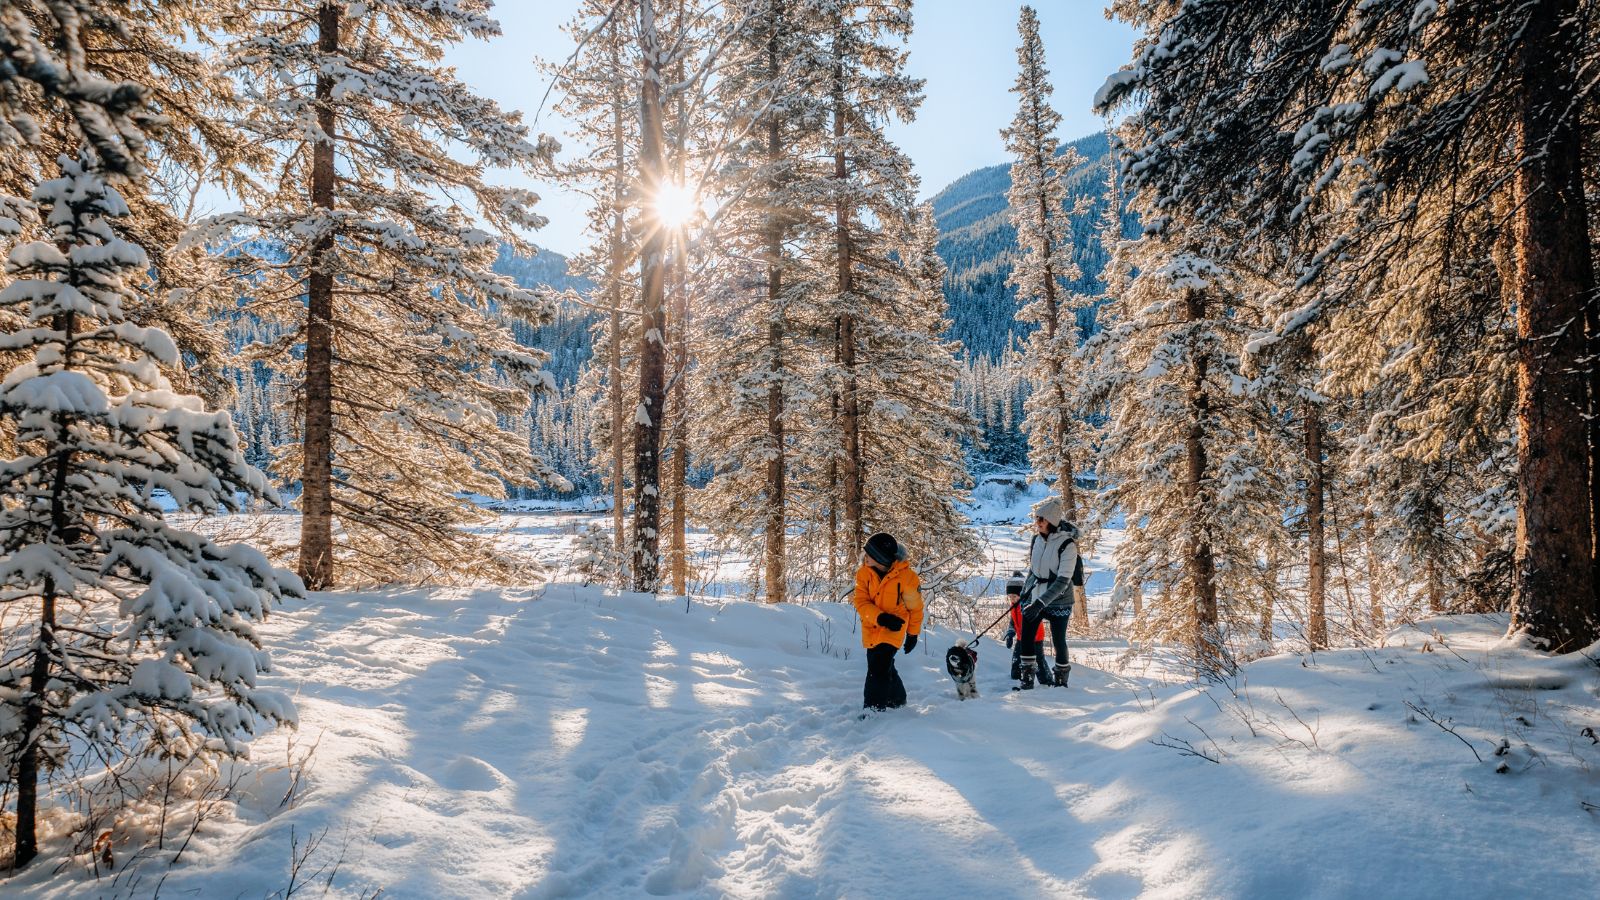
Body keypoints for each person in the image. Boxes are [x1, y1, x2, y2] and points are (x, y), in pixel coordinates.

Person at [852, 531, 924, 711]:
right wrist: (879, 617)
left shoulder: (908, 578)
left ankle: (873, 709)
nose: (865, 557)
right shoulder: (863, 574)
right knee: (883, 666)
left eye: (869, 554)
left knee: (877, 668)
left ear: (881, 558)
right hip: (871, 626)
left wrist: (913, 634)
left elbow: (915, 609)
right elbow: (860, 602)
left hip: (894, 628)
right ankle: (898, 699)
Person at [1014, 497, 1081, 690]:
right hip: (1036, 594)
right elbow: (1033, 571)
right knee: (1026, 635)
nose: (1037, 523)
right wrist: (1025, 593)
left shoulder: (1067, 544)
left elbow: (1063, 581)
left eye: (1041, 520)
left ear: (1051, 521)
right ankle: (1026, 679)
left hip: (1060, 599)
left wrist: (1040, 603)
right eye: (1036, 519)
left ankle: (1060, 681)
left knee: (1058, 640)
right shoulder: (1036, 540)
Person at [1003, 576, 1054, 687]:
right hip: (1021, 638)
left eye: (1014, 596)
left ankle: (1047, 681)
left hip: (1035, 637)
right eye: (1010, 596)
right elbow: (1013, 621)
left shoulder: (1027, 605)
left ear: (1021, 594)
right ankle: (1015, 677)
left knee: (1038, 660)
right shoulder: (1013, 606)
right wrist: (1010, 634)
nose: (1012, 599)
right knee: (1016, 658)